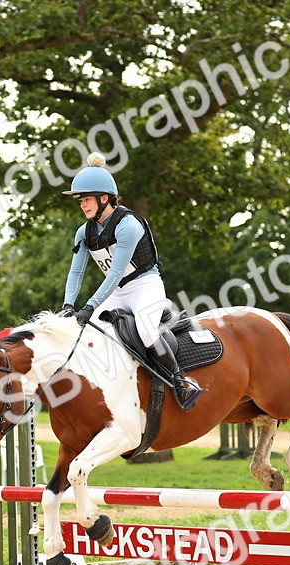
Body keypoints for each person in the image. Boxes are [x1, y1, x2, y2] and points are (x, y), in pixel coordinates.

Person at [57, 153, 201, 411]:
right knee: (85, 332)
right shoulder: (85, 231)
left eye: (86, 199)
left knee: (146, 329)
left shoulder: (128, 225)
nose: (82, 205)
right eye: (81, 201)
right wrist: (69, 304)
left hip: (145, 286)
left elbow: (114, 273)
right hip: (117, 292)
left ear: (104, 199)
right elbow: (76, 273)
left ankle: (181, 380)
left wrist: (89, 305)